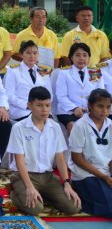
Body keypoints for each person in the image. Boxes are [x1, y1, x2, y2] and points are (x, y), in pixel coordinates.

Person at [6, 86, 81, 216]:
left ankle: (44, 194)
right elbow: (19, 161)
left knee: (73, 207)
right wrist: (29, 187)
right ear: (29, 105)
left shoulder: (55, 127)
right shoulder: (19, 128)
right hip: (25, 175)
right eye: (39, 105)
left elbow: (60, 158)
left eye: (47, 105)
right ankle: (16, 192)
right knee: (34, 209)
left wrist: (67, 183)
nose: (44, 109)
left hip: (48, 176)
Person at [69, 89, 112, 218]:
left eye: (108, 107)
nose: (104, 111)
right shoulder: (80, 126)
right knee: (108, 205)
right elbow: (77, 158)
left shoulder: (110, 125)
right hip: (86, 174)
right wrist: (103, 176)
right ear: (90, 106)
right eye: (100, 106)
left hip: (106, 172)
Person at [56, 43, 105, 134]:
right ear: (71, 57)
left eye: (85, 55)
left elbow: (100, 95)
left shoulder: (95, 72)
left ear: (89, 58)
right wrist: (74, 108)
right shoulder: (64, 73)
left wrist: (91, 109)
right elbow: (61, 96)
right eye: (77, 55)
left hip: (91, 111)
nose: (81, 58)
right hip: (68, 111)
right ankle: (76, 148)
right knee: (73, 127)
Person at [3, 40, 53, 121]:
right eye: (28, 53)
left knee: (52, 125)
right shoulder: (13, 71)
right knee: (38, 121)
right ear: (21, 55)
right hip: (21, 110)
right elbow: (9, 95)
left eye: (35, 53)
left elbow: (50, 95)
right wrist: (28, 105)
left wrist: (41, 107)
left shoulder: (43, 71)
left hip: (41, 110)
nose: (32, 56)